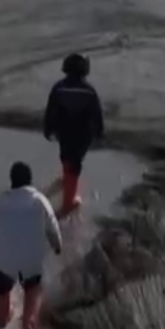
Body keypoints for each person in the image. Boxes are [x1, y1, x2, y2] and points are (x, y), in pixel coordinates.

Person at [0, 161, 63, 329]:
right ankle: (29, 323)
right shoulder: (40, 200)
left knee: (2, 288)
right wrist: (57, 245)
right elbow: (52, 226)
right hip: (31, 261)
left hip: (5, 261)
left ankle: (3, 317)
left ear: (12, 180)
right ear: (30, 180)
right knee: (32, 288)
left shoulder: (1, 202)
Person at [44, 53, 105, 216]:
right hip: (83, 135)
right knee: (75, 162)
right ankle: (68, 202)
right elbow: (97, 114)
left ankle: (68, 178)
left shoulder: (58, 88)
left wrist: (48, 129)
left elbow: (50, 111)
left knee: (66, 157)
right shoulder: (89, 91)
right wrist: (99, 132)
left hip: (63, 132)